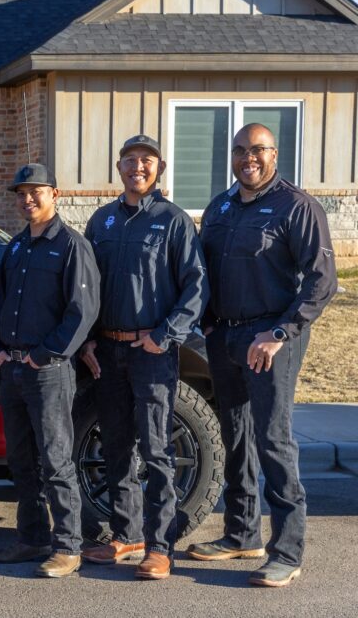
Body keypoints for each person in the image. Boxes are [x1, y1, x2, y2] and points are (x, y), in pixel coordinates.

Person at [188, 123, 337, 587]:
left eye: (257, 150)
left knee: (273, 440)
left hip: (271, 339)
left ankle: (286, 552)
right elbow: (204, 271)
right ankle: (240, 533)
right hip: (226, 338)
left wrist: (278, 332)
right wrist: (209, 323)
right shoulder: (220, 207)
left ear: (274, 154)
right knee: (236, 436)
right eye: (239, 150)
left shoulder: (297, 207)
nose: (247, 158)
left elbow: (321, 282)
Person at [79, 135, 208, 580]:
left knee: (156, 450)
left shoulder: (173, 222)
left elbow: (196, 288)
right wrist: (89, 340)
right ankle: (126, 534)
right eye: (131, 160)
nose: (138, 167)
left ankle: (159, 546)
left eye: (147, 161)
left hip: (152, 353)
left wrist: (165, 335)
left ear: (160, 169)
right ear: (119, 168)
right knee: (116, 445)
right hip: (108, 350)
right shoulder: (101, 222)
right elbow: (87, 287)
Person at [0, 163, 100, 578]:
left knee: (55, 460)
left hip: (47, 371)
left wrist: (45, 355)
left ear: (55, 193)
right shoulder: (16, 247)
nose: (27, 199)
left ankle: (68, 547)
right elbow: (0, 306)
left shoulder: (71, 246)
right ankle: (32, 539)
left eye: (35, 191)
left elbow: (82, 312)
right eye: (21, 193)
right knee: (21, 460)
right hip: (11, 370)